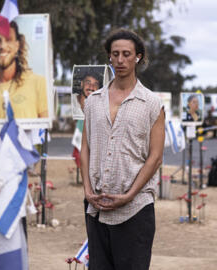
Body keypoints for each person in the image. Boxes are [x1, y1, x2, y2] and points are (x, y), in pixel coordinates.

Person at [80, 28, 165, 270]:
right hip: (96, 207)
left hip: (135, 209)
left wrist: (129, 195)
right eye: (115, 54)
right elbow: (85, 148)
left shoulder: (151, 103)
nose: (120, 60)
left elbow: (155, 157)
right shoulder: (93, 101)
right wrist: (87, 190)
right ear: (109, 57)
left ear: (138, 56)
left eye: (126, 54)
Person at [0, 21, 48, 119]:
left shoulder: (38, 83)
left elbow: (45, 131)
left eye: (8, 39)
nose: (2, 46)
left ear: (17, 45)